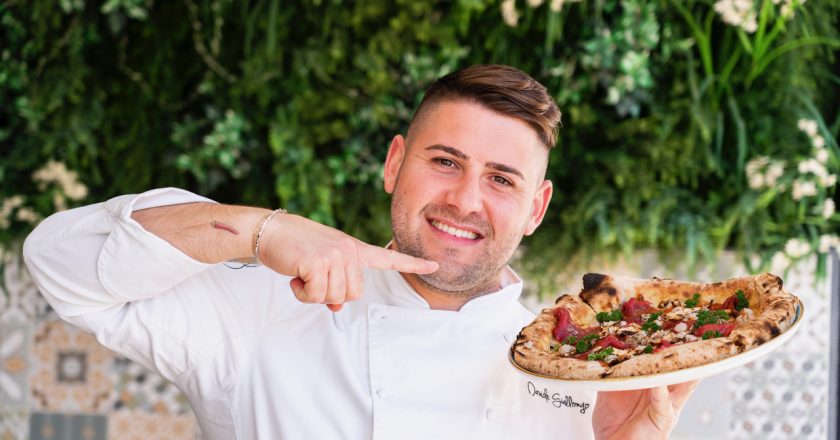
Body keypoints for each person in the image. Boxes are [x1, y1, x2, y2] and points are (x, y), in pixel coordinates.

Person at [24, 64, 696, 439]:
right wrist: (264, 232)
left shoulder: (586, 374)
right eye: (445, 161)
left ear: (536, 209)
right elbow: (60, 261)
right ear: (394, 164)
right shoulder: (262, 312)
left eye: (501, 179)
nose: (465, 200)